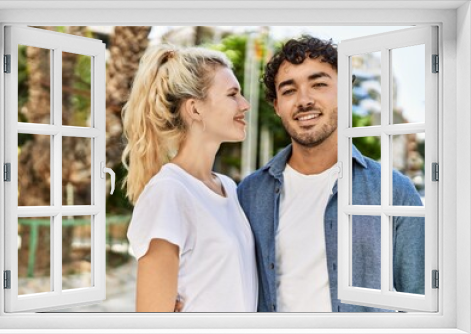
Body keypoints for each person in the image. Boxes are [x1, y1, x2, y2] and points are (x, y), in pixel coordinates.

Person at [237, 36, 425, 312]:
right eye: (289, 91)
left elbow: (419, 303)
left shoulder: (394, 190)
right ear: (277, 106)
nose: (304, 100)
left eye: (319, 84)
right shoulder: (248, 194)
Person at [123, 45, 257, 312]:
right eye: (232, 94)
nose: (245, 104)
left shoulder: (228, 188)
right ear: (195, 109)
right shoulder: (169, 192)